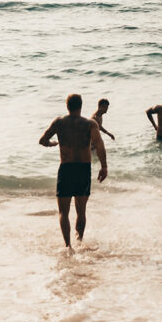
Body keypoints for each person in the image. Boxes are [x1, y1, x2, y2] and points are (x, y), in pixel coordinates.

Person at [39, 94, 108, 249]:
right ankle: (79, 240)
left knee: (63, 211)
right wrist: (104, 167)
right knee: (81, 211)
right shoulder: (90, 124)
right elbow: (99, 145)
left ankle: (68, 246)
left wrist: (52, 144)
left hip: (66, 169)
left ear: (67, 106)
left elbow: (42, 140)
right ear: (81, 106)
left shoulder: (59, 122)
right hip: (83, 169)